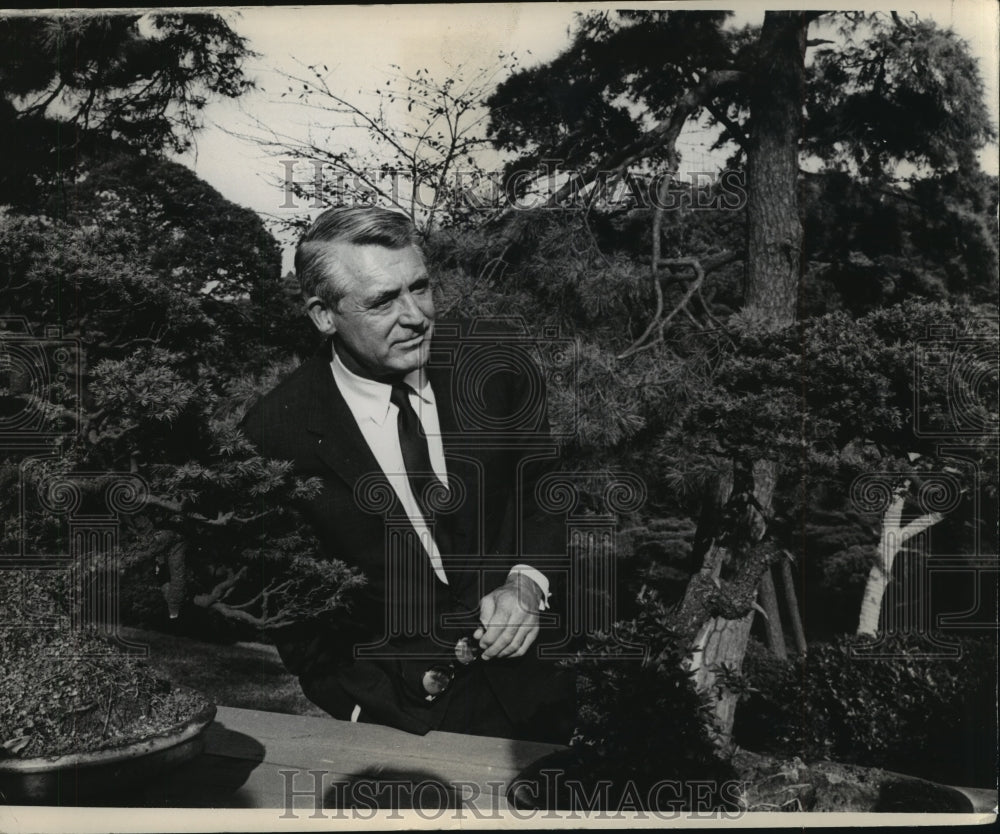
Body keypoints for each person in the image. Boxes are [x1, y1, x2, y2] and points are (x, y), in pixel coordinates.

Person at [241, 206, 573, 743]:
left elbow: (544, 492)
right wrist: (356, 707)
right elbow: (287, 604)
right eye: (382, 301)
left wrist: (526, 583)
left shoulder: (493, 363)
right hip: (398, 718)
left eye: (419, 288)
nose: (415, 315)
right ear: (324, 315)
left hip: (544, 691)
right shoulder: (274, 433)